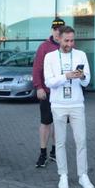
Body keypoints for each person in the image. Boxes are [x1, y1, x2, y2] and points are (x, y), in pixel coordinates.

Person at [43, 26, 94, 188]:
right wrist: (66, 76)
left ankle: (83, 175)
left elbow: (87, 81)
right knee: (60, 142)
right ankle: (63, 175)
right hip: (58, 104)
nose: (70, 44)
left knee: (81, 140)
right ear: (59, 39)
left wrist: (82, 76)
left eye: (72, 40)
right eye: (66, 40)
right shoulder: (49, 57)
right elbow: (48, 82)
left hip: (77, 103)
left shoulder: (81, 55)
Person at [32, 17, 65, 167]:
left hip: (62, 93)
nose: (58, 32)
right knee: (46, 123)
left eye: (61, 30)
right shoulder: (44, 47)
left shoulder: (68, 46)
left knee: (59, 123)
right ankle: (43, 153)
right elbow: (37, 69)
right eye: (56, 30)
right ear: (52, 30)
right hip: (47, 92)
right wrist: (38, 87)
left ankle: (54, 152)